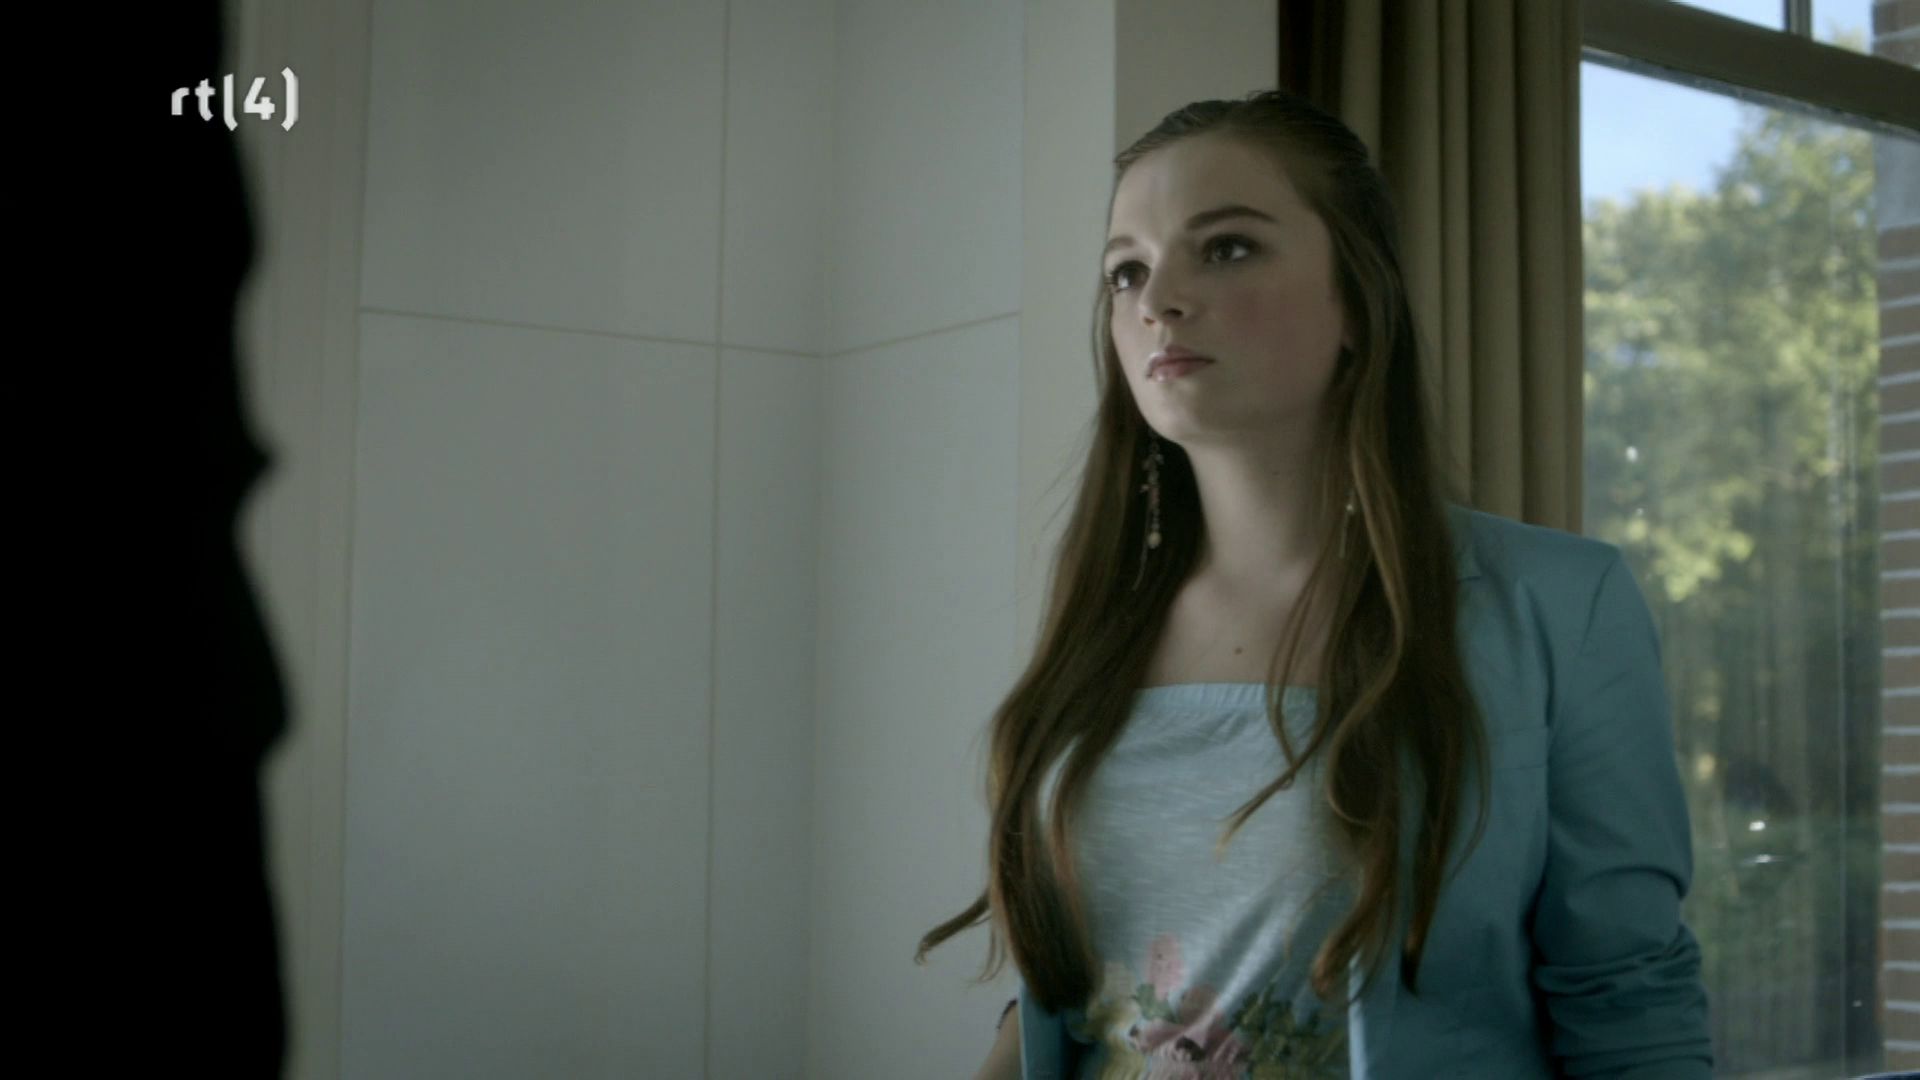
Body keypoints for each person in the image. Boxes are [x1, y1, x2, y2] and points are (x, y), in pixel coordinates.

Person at [916, 87, 1712, 1079]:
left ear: (1357, 300)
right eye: (1127, 271)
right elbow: (1069, 995)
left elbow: (1629, 1001)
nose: (1158, 299)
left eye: (1227, 247)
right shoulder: (1103, 618)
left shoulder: (1556, 605)